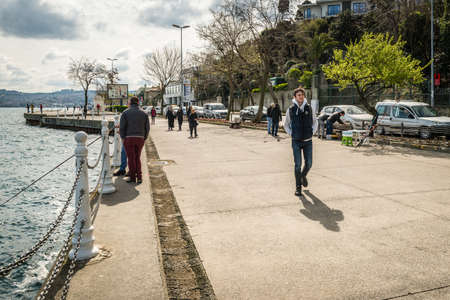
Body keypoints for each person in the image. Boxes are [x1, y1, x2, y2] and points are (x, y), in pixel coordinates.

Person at [283, 87, 317, 197]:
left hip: (308, 141)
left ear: (304, 96)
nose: (300, 96)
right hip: (296, 141)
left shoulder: (309, 108)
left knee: (309, 163)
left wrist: (312, 132)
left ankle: (303, 176)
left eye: (302, 94)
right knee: (297, 165)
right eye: (298, 95)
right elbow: (286, 124)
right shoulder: (291, 109)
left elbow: (315, 122)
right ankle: (298, 188)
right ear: (295, 97)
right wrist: (291, 134)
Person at [119, 96, 150, 184]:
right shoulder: (144, 113)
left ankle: (133, 177)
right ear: (138, 103)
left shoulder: (125, 113)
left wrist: (123, 138)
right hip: (140, 138)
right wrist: (144, 137)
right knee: (137, 158)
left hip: (129, 138)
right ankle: (139, 177)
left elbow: (122, 128)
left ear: (130, 103)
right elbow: (147, 128)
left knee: (131, 158)